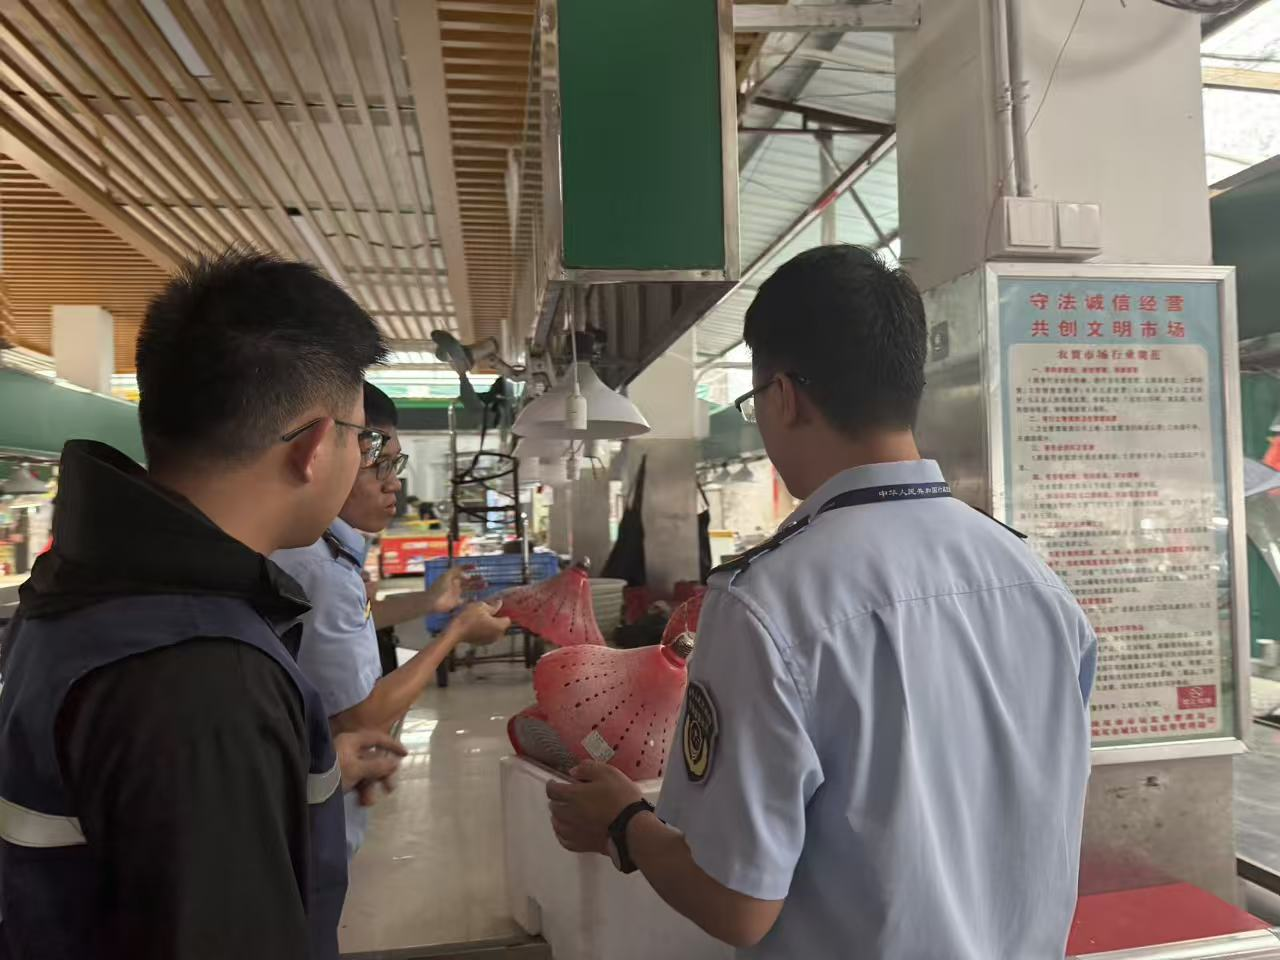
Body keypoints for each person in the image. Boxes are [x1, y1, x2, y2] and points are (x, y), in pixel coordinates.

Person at [546, 245, 1097, 959]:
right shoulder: (1035, 580)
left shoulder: (767, 604)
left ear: (784, 397)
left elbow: (737, 902)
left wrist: (622, 823)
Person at [0, 250, 406, 960]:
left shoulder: (90, 590)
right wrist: (236, 755)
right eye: (362, 437)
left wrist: (280, 774)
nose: (363, 460)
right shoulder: (203, 675)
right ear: (314, 446)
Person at [273, 382, 510, 859]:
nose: (394, 483)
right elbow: (364, 716)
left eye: (395, 466)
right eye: (378, 465)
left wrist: (430, 602)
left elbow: (340, 626)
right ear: (326, 457)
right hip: (314, 816)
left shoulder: (316, 554)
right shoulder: (320, 568)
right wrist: (457, 632)